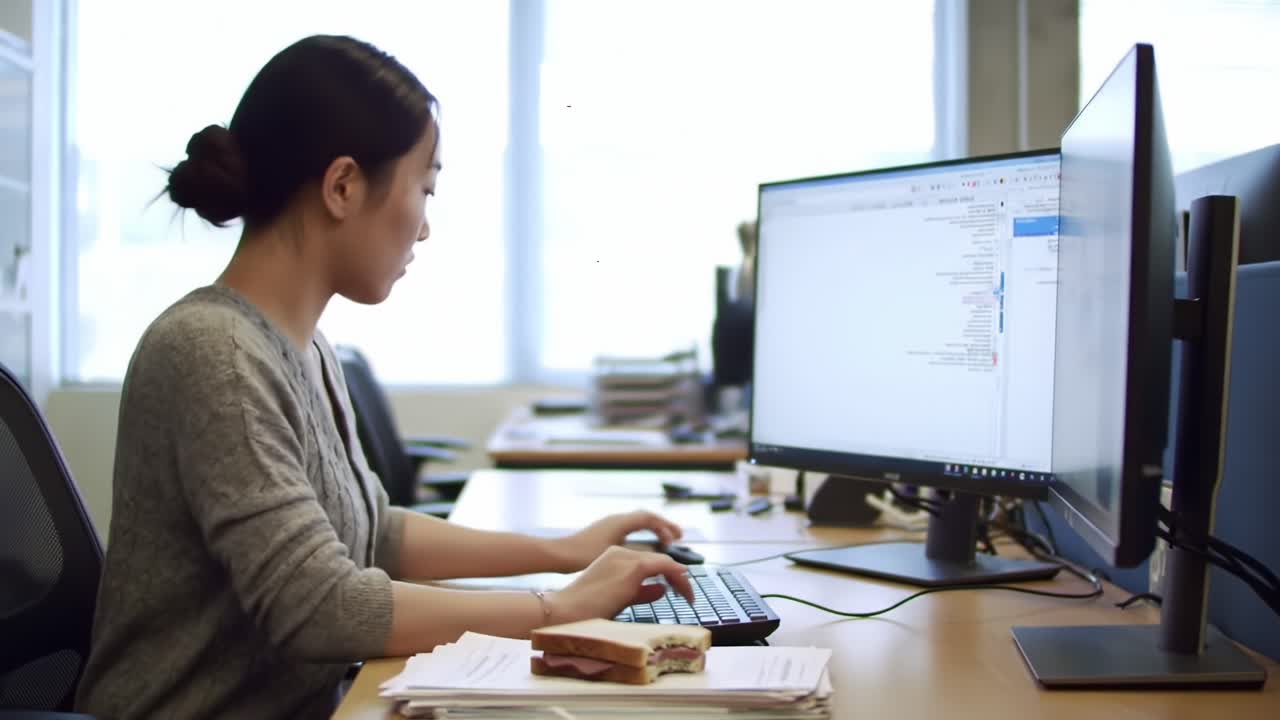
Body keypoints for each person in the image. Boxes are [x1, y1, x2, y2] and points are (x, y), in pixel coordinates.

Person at [76, 35, 694, 719]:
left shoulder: (304, 347)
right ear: (342, 187)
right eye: (423, 189)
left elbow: (372, 534)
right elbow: (321, 609)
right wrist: (560, 607)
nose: (424, 228)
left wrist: (561, 552)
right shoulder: (214, 354)